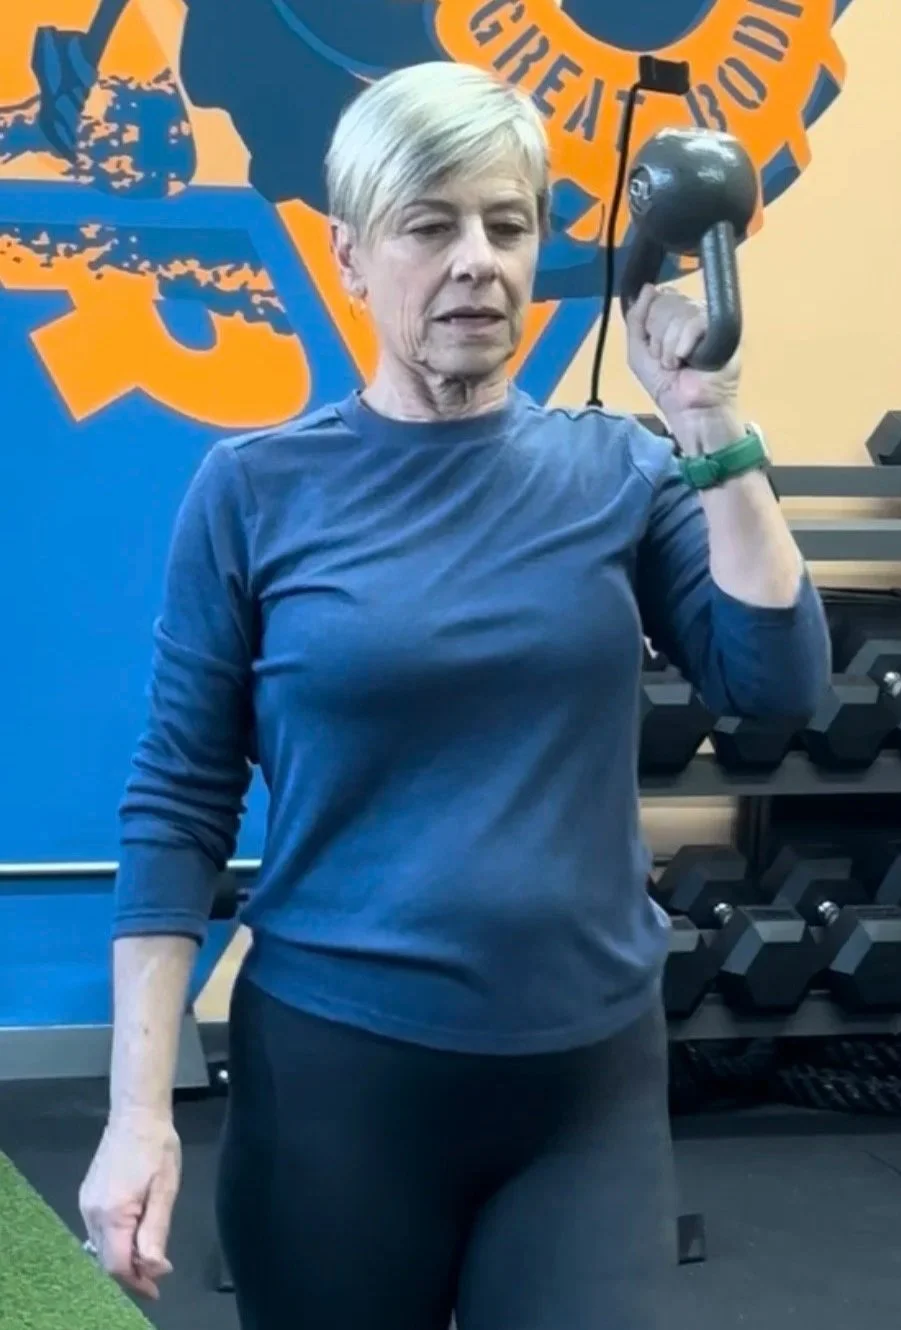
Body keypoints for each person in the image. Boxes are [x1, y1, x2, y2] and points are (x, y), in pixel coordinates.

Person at [78, 60, 831, 1330]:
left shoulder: (622, 468)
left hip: (582, 1085)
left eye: (507, 223)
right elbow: (176, 806)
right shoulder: (255, 491)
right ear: (352, 257)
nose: (476, 260)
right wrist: (136, 1113)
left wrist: (709, 421)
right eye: (431, 226)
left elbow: (778, 680)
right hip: (335, 1083)